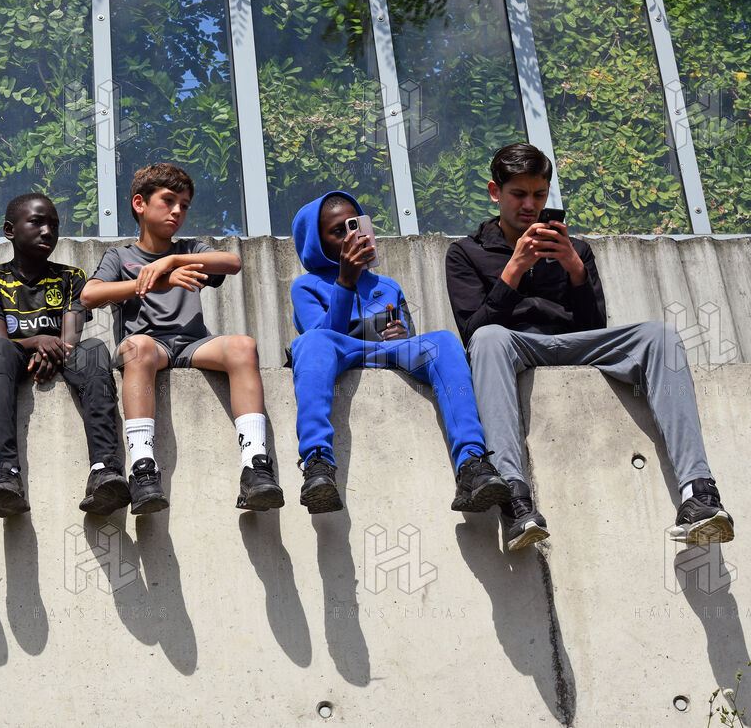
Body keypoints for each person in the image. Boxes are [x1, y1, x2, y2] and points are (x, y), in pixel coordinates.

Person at [445, 142, 734, 550]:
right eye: (519, 194)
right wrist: (514, 270)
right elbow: (473, 333)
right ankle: (515, 499)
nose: (530, 205)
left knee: (660, 334)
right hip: (513, 344)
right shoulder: (465, 252)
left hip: (576, 344)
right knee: (490, 339)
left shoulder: (576, 249)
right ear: (496, 192)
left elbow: (595, 327)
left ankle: (699, 494)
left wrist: (575, 269)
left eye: (539, 195)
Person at [81, 163, 285, 515]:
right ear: (140, 204)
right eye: (168, 201)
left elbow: (232, 263)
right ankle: (143, 469)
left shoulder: (190, 249)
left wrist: (172, 260)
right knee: (137, 347)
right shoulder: (120, 256)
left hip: (192, 344)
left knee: (243, 345)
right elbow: (89, 295)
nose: (177, 211)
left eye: (185, 205)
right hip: (148, 346)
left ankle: (255, 466)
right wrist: (156, 282)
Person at [288, 190, 509, 515]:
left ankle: (472, 464)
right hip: (338, 350)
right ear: (317, 243)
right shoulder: (306, 286)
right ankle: (317, 462)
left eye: (355, 225)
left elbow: (408, 341)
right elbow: (323, 336)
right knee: (310, 344)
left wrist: (401, 335)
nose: (351, 236)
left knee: (444, 341)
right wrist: (345, 282)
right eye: (338, 231)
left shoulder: (387, 286)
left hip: (387, 352)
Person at [0, 193, 129, 517]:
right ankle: (5, 474)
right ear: (10, 230)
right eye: (37, 222)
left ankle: (104, 469)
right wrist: (38, 341)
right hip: (13, 355)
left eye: (54, 225)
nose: (48, 231)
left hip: (62, 353)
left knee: (94, 349)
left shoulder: (71, 277)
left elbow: (69, 341)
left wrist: (49, 347)